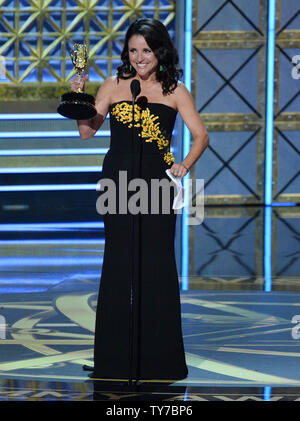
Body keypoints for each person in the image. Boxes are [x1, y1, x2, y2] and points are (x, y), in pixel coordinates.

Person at [71, 18, 209, 382]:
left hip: (157, 187)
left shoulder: (175, 89)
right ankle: (114, 358)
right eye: (133, 50)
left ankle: (160, 360)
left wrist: (184, 165)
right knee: (118, 265)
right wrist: (81, 96)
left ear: (160, 51)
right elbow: (87, 132)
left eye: (146, 50)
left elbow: (200, 136)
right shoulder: (115, 85)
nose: (139, 57)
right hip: (116, 183)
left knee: (157, 266)